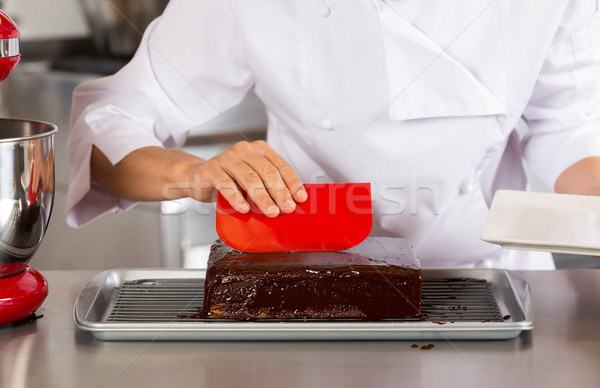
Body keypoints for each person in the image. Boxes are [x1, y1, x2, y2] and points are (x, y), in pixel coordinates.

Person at [66, 0, 600, 269]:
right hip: (307, 282)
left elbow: (570, 128)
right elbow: (115, 115)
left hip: (492, 283)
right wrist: (190, 173)